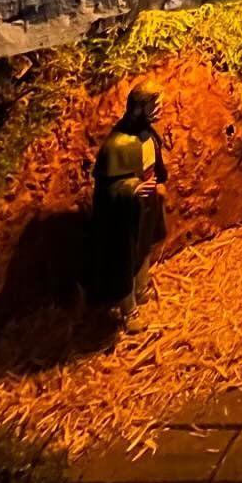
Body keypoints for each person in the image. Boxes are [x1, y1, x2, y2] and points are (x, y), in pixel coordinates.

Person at [89, 77, 168, 324]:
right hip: (124, 215)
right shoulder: (117, 144)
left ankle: (142, 289)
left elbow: (155, 163)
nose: (160, 110)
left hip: (147, 206)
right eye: (155, 106)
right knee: (125, 259)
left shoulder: (149, 134)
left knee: (144, 248)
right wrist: (132, 188)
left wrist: (158, 183)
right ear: (139, 108)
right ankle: (128, 310)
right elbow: (106, 188)